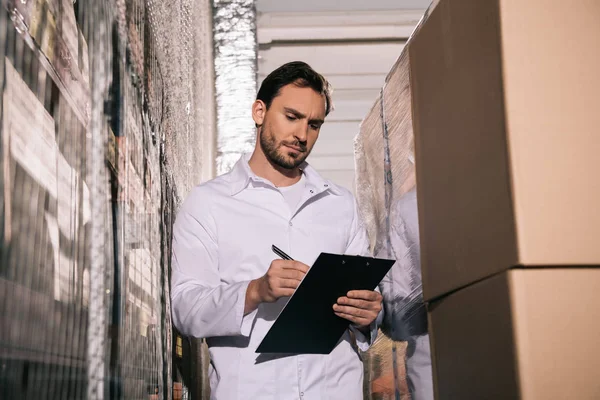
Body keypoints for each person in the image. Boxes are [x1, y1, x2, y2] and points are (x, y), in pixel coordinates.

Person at [171, 61, 383, 400]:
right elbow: (185, 309)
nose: (302, 134)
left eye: (314, 124)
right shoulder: (208, 203)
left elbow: (367, 305)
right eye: (292, 117)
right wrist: (254, 291)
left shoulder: (341, 205)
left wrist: (369, 312)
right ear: (259, 111)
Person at [379, 188, 433, 400]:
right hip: (433, 372)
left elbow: (397, 323)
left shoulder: (411, 205)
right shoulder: (409, 207)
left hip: (432, 372)